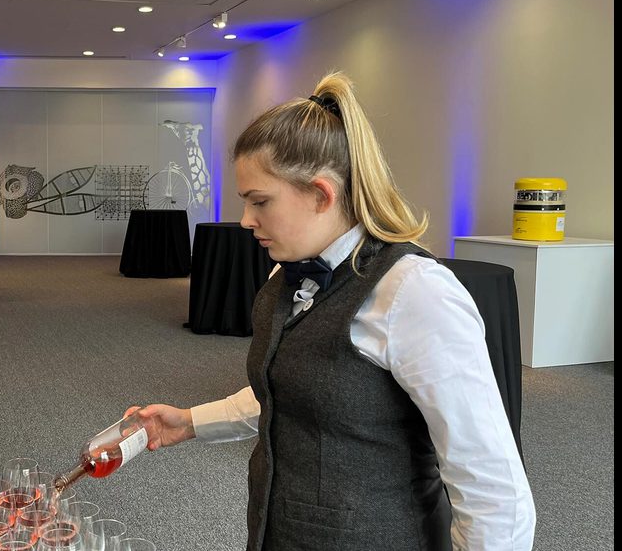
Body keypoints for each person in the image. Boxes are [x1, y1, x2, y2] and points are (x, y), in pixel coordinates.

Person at [130, 72, 535, 550]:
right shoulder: (285, 275)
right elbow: (287, 390)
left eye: (260, 201)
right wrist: (192, 421)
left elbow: (493, 488)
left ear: (322, 194)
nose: (245, 220)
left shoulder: (414, 293)